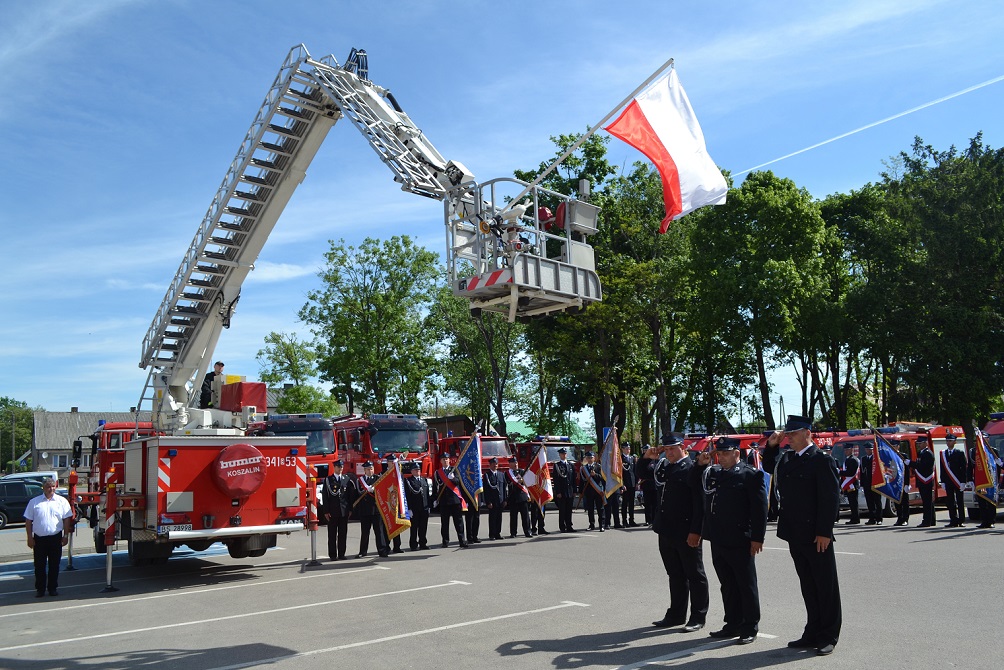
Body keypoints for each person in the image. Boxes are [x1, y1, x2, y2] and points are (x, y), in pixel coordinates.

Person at [770, 415, 842, 657]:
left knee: (825, 586)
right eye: (787, 434)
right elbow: (769, 469)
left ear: (807, 433)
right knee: (808, 586)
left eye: (793, 434)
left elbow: (830, 499)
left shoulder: (822, 460)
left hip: (815, 535)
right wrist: (771, 446)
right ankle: (812, 631)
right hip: (795, 533)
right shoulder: (789, 459)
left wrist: (824, 532)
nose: (788, 438)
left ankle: (828, 635)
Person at [696, 437, 767, 646]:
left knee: (746, 584)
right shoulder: (715, 473)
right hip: (718, 538)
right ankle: (733, 623)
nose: (722, 457)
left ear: (737, 453)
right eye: (719, 454)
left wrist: (757, 538)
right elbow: (694, 484)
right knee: (727, 584)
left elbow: (759, 509)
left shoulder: (750, 475)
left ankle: (750, 626)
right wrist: (700, 464)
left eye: (726, 453)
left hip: (739, 538)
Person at [638, 433, 708, 632]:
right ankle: (676, 614)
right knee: (675, 574)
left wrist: (696, 531)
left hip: (686, 531)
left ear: (682, 447)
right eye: (666, 449)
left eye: (672, 448)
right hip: (666, 529)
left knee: (694, 574)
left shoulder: (693, 468)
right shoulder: (664, 466)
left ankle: (698, 616)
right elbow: (642, 473)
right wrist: (647, 457)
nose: (668, 452)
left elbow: (699, 503)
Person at [24, 477, 75, 597]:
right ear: (43, 488)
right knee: (39, 566)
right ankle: (40, 589)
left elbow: (66, 519)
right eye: (48, 487)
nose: (51, 489)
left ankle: (52, 588)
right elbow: (28, 521)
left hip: (55, 538)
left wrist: (65, 535)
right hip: (39, 539)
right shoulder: (34, 502)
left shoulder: (61, 501)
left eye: (53, 486)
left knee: (54, 565)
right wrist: (29, 537)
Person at [353, 461, 389, 558]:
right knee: (365, 532)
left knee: (379, 531)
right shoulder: (359, 480)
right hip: (364, 510)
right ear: (364, 470)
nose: (370, 471)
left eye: (371, 469)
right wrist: (367, 489)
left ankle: (382, 551)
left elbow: (382, 491)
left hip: (376, 509)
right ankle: (363, 551)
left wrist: (374, 491)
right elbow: (359, 492)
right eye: (368, 469)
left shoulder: (378, 478)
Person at [433, 452, 468, 548]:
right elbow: (436, 487)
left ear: (449, 460)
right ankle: (445, 541)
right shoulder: (437, 473)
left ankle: (462, 541)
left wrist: (452, 478)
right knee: (444, 523)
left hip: (455, 500)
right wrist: (435, 499)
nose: (445, 461)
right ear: (441, 461)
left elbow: (458, 482)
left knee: (458, 522)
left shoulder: (454, 470)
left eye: (447, 459)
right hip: (444, 501)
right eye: (443, 459)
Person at [321, 460, 351, 560]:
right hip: (332, 511)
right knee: (332, 534)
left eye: (341, 467)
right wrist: (326, 511)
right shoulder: (329, 480)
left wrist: (350, 509)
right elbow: (325, 496)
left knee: (343, 534)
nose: (340, 469)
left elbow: (349, 496)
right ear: (334, 467)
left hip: (343, 511)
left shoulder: (346, 479)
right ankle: (333, 554)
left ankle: (342, 554)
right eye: (338, 467)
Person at [402, 462, 431, 550]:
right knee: (414, 527)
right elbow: (407, 495)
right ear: (411, 471)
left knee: (423, 527)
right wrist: (409, 509)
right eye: (415, 470)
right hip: (414, 508)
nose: (417, 471)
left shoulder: (424, 480)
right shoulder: (408, 481)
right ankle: (413, 544)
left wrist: (428, 506)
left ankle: (423, 543)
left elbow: (426, 494)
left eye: (418, 470)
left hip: (424, 507)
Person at [940, 433, 967, 527]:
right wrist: (942, 481)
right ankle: (953, 520)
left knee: (960, 501)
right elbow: (942, 468)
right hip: (948, 481)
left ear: (955, 442)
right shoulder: (943, 453)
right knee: (950, 501)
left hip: (958, 480)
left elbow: (963, 468)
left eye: (950, 441)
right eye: (947, 441)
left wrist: (963, 481)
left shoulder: (959, 453)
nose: (948, 442)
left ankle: (961, 520)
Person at [911, 435, 936, 527]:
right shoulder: (920, 453)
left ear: (926, 443)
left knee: (927, 502)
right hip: (922, 480)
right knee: (927, 501)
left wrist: (911, 463)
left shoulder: (928, 453)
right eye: (918, 443)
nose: (919, 445)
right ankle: (931, 520)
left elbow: (923, 466)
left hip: (926, 480)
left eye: (920, 443)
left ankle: (927, 521)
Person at [506, 458, 532, 538]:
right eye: (514, 463)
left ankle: (527, 531)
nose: (515, 464)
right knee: (513, 516)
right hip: (513, 497)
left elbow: (528, 482)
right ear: (510, 464)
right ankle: (513, 533)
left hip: (522, 496)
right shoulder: (507, 473)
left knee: (525, 516)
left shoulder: (522, 471)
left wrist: (522, 481)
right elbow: (507, 484)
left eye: (516, 462)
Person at [552, 447, 576, 532]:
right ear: (559, 455)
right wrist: (558, 492)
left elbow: (573, 479)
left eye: (565, 453)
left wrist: (574, 491)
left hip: (570, 491)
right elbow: (556, 480)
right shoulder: (557, 465)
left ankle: (569, 526)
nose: (564, 455)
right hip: (562, 491)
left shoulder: (571, 465)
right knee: (562, 510)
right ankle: (562, 527)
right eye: (562, 454)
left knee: (569, 510)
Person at [482, 457, 506, 540]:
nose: (495, 465)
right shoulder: (487, 475)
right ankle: (492, 534)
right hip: (492, 501)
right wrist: (488, 502)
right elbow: (486, 490)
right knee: (492, 518)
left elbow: (504, 488)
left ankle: (498, 533)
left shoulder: (501, 474)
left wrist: (505, 499)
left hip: (500, 500)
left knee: (499, 518)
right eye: (493, 464)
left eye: (496, 464)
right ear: (490, 465)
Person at [859, 442, 882, 525]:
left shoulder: (876, 458)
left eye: (870, 449)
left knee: (877, 501)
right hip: (867, 483)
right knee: (869, 501)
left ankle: (879, 518)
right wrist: (862, 484)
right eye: (867, 449)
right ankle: (872, 518)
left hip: (875, 483)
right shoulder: (863, 459)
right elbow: (862, 472)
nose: (868, 451)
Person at [581, 452, 604, 531]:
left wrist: (595, 475)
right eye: (588, 458)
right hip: (589, 491)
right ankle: (591, 525)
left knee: (600, 508)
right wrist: (581, 492)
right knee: (590, 509)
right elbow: (582, 481)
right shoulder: (584, 468)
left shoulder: (598, 466)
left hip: (597, 490)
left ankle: (601, 525)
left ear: (594, 458)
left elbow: (602, 477)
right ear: (586, 459)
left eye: (591, 458)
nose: (590, 459)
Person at [839, 446, 860, 525]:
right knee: (851, 502)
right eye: (845, 450)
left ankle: (855, 518)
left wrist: (840, 472)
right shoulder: (848, 459)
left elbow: (851, 473)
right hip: (848, 484)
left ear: (851, 450)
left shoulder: (853, 460)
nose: (846, 451)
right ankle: (854, 517)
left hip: (852, 484)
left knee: (854, 502)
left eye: (847, 450)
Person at [639, 444, 658, 526]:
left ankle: (654, 519)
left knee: (655, 504)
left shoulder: (655, 460)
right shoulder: (642, 460)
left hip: (654, 485)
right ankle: (648, 520)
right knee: (647, 504)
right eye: (645, 450)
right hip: (646, 485)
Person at [621, 441, 638, 527]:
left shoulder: (632, 458)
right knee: (625, 503)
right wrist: (622, 484)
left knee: (631, 503)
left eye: (629, 448)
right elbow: (620, 473)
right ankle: (624, 521)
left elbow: (635, 471)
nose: (628, 450)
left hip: (632, 483)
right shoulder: (620, 459)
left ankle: (632, 520)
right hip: (625, 484)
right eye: (626, 448)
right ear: (622, 449)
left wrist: (636, 482)